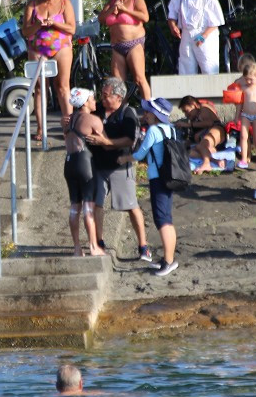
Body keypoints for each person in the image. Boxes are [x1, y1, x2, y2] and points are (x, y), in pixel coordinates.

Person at [84, 78, 150, 261]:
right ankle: (99, 241)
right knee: (97, 204)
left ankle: (143, 246)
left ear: (118, 97)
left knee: (131, 206)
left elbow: (130, 140)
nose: (102, 99)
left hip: (121, 166)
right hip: (98, 166)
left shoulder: (127, 113)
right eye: (101, 95)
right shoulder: (96, 111)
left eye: (106, 96)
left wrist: (106, 142)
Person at [119, 98, 179, 276]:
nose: (144, 114)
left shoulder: (153, 130)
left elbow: (139, 154)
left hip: (158, 179)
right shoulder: (171, 129)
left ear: (155, 115)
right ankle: (168, 259)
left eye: (147, 112)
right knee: (166, 218)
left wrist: (124, 159)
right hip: (170, 177)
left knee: (162, 220)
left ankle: (168, 262)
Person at [22, 0, 76, 137]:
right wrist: (38, 25)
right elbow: (25, 31)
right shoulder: (32, 5)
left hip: (61, 47)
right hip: (38, 48)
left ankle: (69, 127)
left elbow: (72, 28)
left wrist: (56, 23)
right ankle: (40, 128)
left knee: (63, 87)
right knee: (39, 88)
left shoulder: (65, 3)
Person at [64, 88, 105, 257]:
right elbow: (104, 141)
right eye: (92, 98)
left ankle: (76, 248)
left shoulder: (67, 120)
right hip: (85, 164)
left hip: (69, 164)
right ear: (85, 102)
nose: (95, 101)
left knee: (75, 208)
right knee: (89, 207)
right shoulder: (93, 120)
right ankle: (93, 246)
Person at [99, 0, 151, 101]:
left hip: (134, 44)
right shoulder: (113, 2)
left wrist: (125, 10)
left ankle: (150, 111)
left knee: (139, 79)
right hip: (117, 46)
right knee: (117, 84)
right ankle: (121, 114)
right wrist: (113, 9)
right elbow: (101, 19)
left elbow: (145, 17)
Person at [166, 0, 225, 75]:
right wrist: (173, 26)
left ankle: (211, 93)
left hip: (205, 35)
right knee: (185, 71)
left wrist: (203, 36)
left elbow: (216, 21)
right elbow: (171, 15)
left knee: (209, 69)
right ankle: (188, 93)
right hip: (186, 35)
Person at [178, 96, 227, 173]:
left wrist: (188, 125)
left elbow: (209, 123)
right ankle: (216, 161)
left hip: (216, 130)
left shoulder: (203, 109)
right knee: (189, 152)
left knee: (201, 146)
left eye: (187, 111)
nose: (186, 114)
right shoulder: (195, 115)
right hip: (210, 143)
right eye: (184, 112)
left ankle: (206, 164)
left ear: (194, 105)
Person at [235, 61, 256, 171]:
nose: (248, 81)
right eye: (246, 79)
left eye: (251, 79)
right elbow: (240, 103)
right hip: (245, 115)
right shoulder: (243, 88)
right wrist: (237, 116)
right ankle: (244, 159)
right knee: (243, 137)